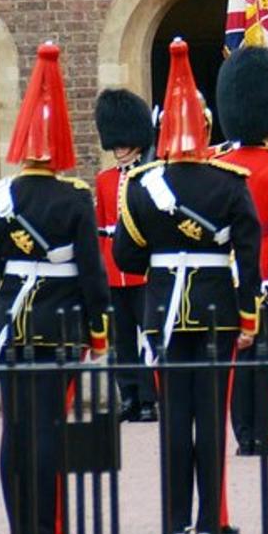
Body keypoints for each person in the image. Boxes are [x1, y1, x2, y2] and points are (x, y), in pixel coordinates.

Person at [114, 37, 260, 534]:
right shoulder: (230, 182)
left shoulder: (140, 185)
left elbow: (125, 257)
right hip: (218, 308)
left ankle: (176, 520)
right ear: (205, 129)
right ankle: (210, 518)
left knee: (174, 417)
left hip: (164, 311)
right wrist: (248, 314)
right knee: (211, 417)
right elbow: (249, 250)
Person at [0, 42, 111, 534]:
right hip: (60, 327)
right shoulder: (75, 197)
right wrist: (99, 329)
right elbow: (93, 275)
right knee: (50, 430)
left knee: (14, 430)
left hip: (11, 326)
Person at [214, 46, 268, 456]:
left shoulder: (218, 161)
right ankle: (266, 434)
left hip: (227, 267)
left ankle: (243, 432)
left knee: (236, 353)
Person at [94, 88, 158, 423]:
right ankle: (129, 396)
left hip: (140, 271)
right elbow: (100, 224)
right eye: (115, 144)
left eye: (123, 143)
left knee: (147, 336)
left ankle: (149, 398)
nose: (118, 150)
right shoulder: (104, 180)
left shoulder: (150, 177)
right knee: (121, 341)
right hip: (112, 270)